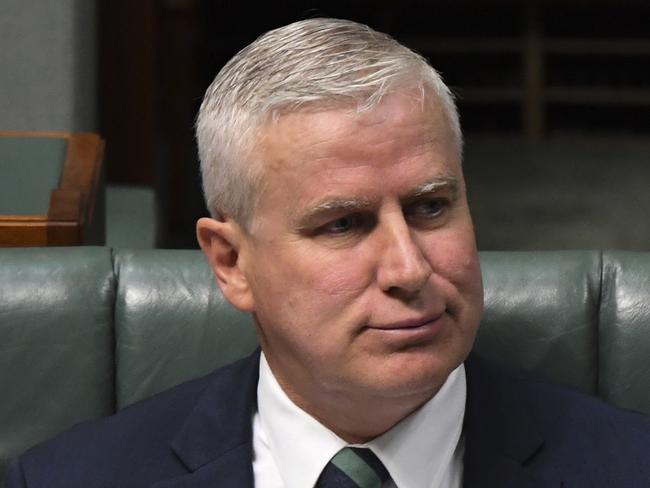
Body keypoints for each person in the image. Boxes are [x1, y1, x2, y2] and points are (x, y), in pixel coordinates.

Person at [6, 18, 650, 488]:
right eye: (343, 224)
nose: (409, 269)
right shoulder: (71, 478)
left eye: (431, 207)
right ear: (231, 263)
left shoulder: (628, 467)